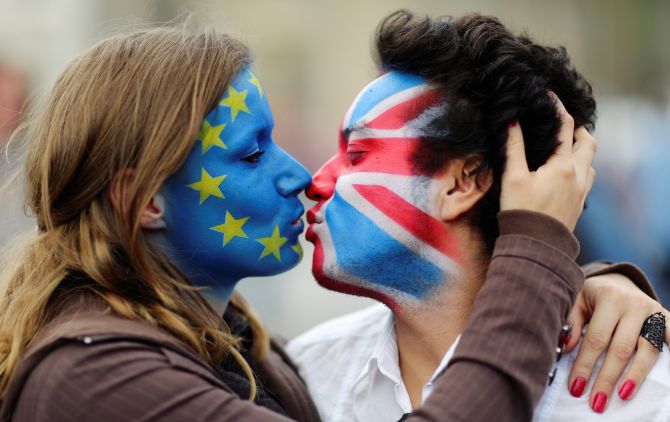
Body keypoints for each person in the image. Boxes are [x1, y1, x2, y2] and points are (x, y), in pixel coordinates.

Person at [0, 22, 659, 422]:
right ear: (145, 202)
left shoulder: (266, 365)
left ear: (466, 182)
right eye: (252, 152)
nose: (305, 175)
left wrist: (596, 286)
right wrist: (536, 256)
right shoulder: (94, 378)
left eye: (361, 153)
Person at [287, 10, 670, 421]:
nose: (316, 182)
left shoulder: (649, 399)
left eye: (358, 155)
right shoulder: (308, 376)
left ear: (463, 181)